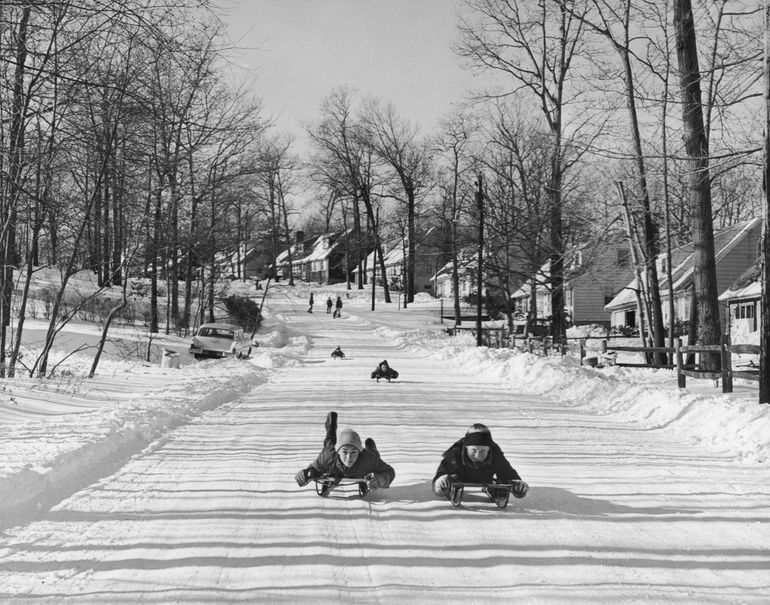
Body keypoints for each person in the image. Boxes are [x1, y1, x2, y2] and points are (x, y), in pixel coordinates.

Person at [295, 412, 395, 490]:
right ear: (338, 451)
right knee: (329, 446)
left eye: (354, 452)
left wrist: (380, 479)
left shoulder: (368, 459)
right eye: (344, 452)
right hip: (333, 459)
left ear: (360, 452)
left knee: (374, 454)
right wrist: (306, 474)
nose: (348, 457)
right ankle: (331, 426)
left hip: (366, 459)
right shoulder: (328, 456)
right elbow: (315, 468)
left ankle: (371, 447)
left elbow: (390, 472)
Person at [432, 423, 528, 499]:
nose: (478, 455)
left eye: (483, 451)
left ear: (489, 449)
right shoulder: (456, 452)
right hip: (459, 477)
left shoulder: (494, 453)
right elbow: (442, 471)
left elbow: (506, 471)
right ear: (466, 448)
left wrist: (516, 484)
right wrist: (441, 481)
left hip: (484, 478)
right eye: (473, 450)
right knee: (445, 481)